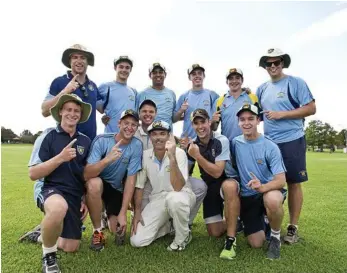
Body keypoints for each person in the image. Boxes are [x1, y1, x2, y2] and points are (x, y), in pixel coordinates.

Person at [257, 48, 316, 244]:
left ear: (283, 63)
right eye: (269, 63)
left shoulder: (295, 82)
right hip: (269, 142)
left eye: (277, 62)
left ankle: (292, 228)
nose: (273, 66)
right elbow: (256, 112)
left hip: (292, 139)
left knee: (293, 182)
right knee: (269, 183)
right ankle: (268, 223)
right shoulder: (262, 88)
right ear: (265, 66)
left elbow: (311, 108)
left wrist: (282, 114)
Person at [28, 94, 92, 272]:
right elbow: (33, 173)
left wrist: (84, 199)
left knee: (71, 246)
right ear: (61, 111)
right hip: (49, 188)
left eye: (76, 111)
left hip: (73, 194)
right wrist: (60, 158)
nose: (72, 113)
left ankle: (42, 234)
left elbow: (84, 174)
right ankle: (49, 257)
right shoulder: (48, 136)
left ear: (80, 115)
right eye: (69, 109)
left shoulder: (85, 141)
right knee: (58, 208)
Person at [228, 103, 286, 259]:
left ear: (258, 121)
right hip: (248, 196)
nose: (246, 123)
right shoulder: (235, 143)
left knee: (272, 200)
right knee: (256, 243)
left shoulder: (270, 146)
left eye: (251, 119)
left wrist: (263, 187)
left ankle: (275, 237)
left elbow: (281, 180)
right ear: (238, 122)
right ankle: (266, 220)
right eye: (242, 119)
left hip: (269, 189)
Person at [130, 120, 196, 251]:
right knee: (136, 241)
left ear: (168, 136)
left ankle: (182, 237)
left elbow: (178, 187)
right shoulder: (145, 155)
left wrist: (172, 158)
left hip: (181, 195)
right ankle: (168, 226)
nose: (158, 137)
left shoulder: (179, 153)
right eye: (154, 134)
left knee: (174, 199)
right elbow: (140, 186)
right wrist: (137, 211)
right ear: (150, 137)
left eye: (162, 133)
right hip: (158, 199)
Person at [185, 109, 240, 260]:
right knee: (214, 232)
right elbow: (186, 173)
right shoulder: (192, 145)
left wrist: (196, 155)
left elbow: (217, 172)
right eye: (196, 123)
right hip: (210, 186)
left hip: (227, 181)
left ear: (209, 122)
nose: (200, 126)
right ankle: (236, 220)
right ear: (192, 125)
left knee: (229, 187)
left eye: (203, 122)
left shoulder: (221, 140)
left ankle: (230, 240)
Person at [84, 109, 142, 251]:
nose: (129, 127)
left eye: (134, 124)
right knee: (94, 183)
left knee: (116, 230)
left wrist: (123, 212)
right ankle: (97, 231)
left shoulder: (136, 145)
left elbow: (130, 180)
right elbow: (86, 174)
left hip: (115, 188)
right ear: (119, 123)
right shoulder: (102, 140)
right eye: (126, 123)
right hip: (97, 184)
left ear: (137, 127)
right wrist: (107, 160)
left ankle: (105, 215)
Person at [174, 64, 217, 226]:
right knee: (182, 181)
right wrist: (180, 112)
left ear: (203, 76)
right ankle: (181, 216)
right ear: (189, 77)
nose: (197, 76)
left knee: (211, 180)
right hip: (187, 145)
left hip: (206, 145)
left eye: (199, 73)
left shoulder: (212, 95)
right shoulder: (184, 96)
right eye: (193, 74)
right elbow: (174, 118)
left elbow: (214, 123)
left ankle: (214, 216)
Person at [41, 44, 101, 141]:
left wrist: (107, 118)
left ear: (87, 62)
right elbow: (44, 111)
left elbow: (101, 108)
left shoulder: (93, 86)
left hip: (90, 143)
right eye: (75, 57)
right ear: (70, 61)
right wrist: (65, 92)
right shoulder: (59, 82)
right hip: (65, 143)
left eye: (83, 58)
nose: (79, 61)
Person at [211, 68, 259, 142]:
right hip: (227, 144)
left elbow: (260, 119)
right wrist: (213, 121)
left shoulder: (252, 97)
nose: (234, 81)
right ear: (227, 82)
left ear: (242, 80)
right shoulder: (219, 101)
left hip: (249, 143)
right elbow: (214, 128)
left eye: (237, 78)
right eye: (231, 79)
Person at [99, 56, 137, 133]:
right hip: (110, 136)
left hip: (129, 137)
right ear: (115, 68)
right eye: (121, 67)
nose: (124, 70)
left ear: (130, 70)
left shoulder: (134, 91)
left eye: (127, 68)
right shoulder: (105, 86)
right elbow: (97, 108)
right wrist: (104, 118)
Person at [136, 63, 176, 128]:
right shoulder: (142, 94)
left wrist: (182, 111)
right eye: (154, 73)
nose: (158, 75)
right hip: (147, 136)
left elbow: (173, 117)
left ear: (165, 75)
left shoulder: (171, 94)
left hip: (167, 135)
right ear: (150, 75)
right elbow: (136, 116)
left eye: (160, 72)